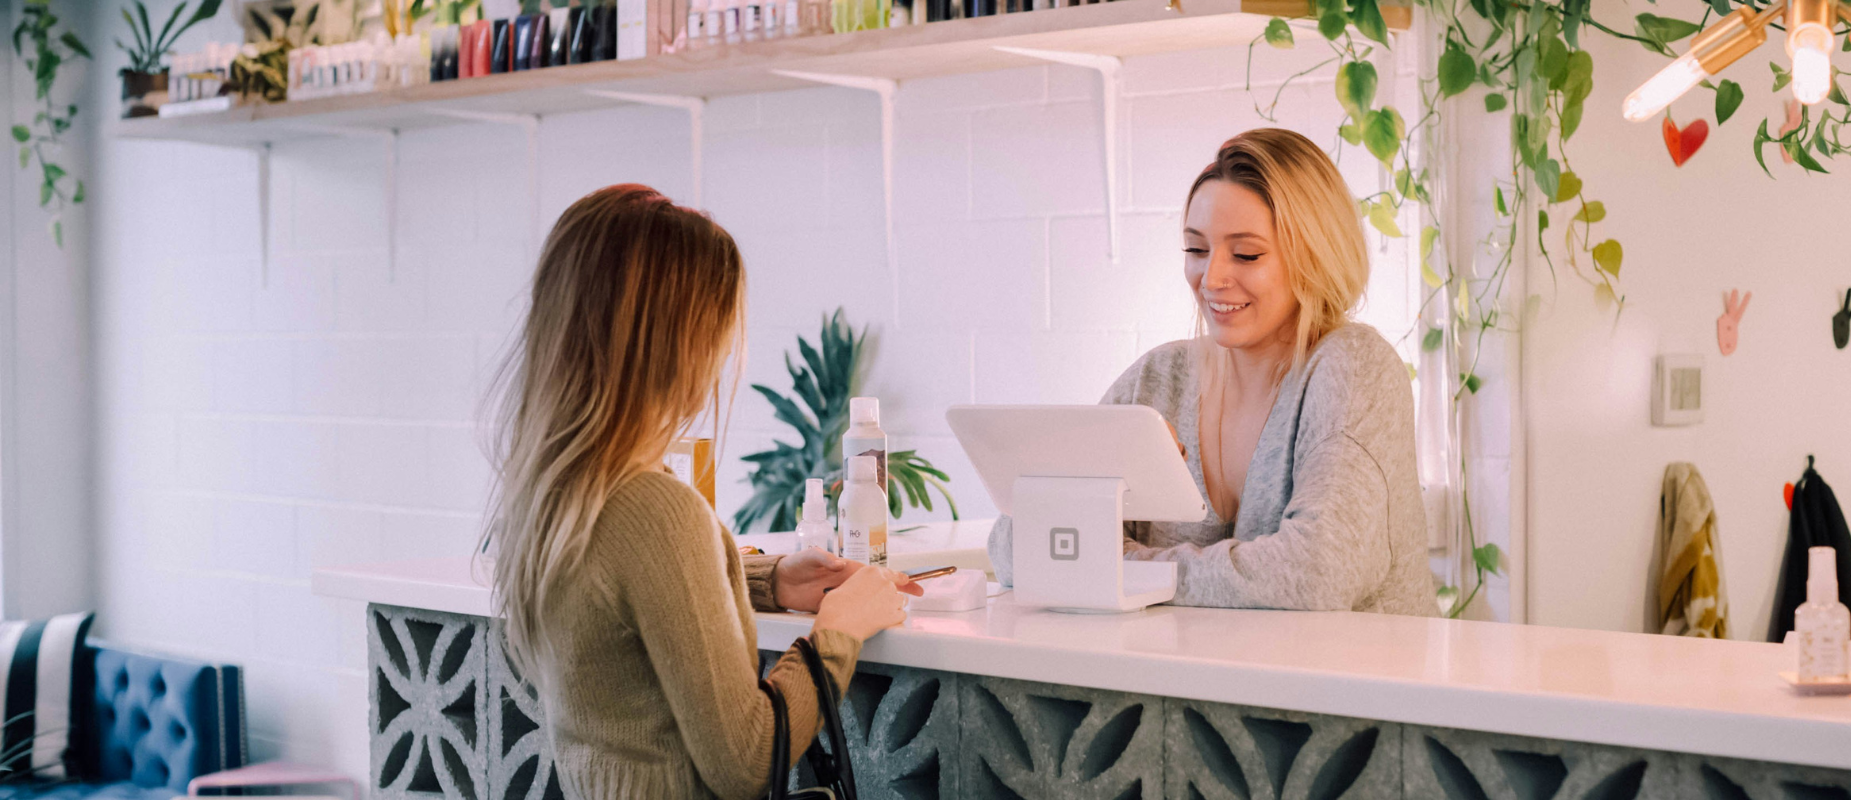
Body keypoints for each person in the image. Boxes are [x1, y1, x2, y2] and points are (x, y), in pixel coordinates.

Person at [481, 184, 920, 800]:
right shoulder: (655, 510)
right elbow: (746, 760)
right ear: (678, 342)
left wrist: (766, 580)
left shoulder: (556, 491)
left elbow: (630, 603)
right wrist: (838, 629)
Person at [989, 129, 1434, 615]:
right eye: (1196, 250)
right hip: (1195, 685)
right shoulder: (1160, 380)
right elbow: (1015, 550)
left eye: (1246, 254)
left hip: (1345, 687)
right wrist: (1101, 492)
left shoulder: (1353, 368)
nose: (1212, 277)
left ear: (1316, 255)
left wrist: (1127, 569)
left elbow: (1314, 574)